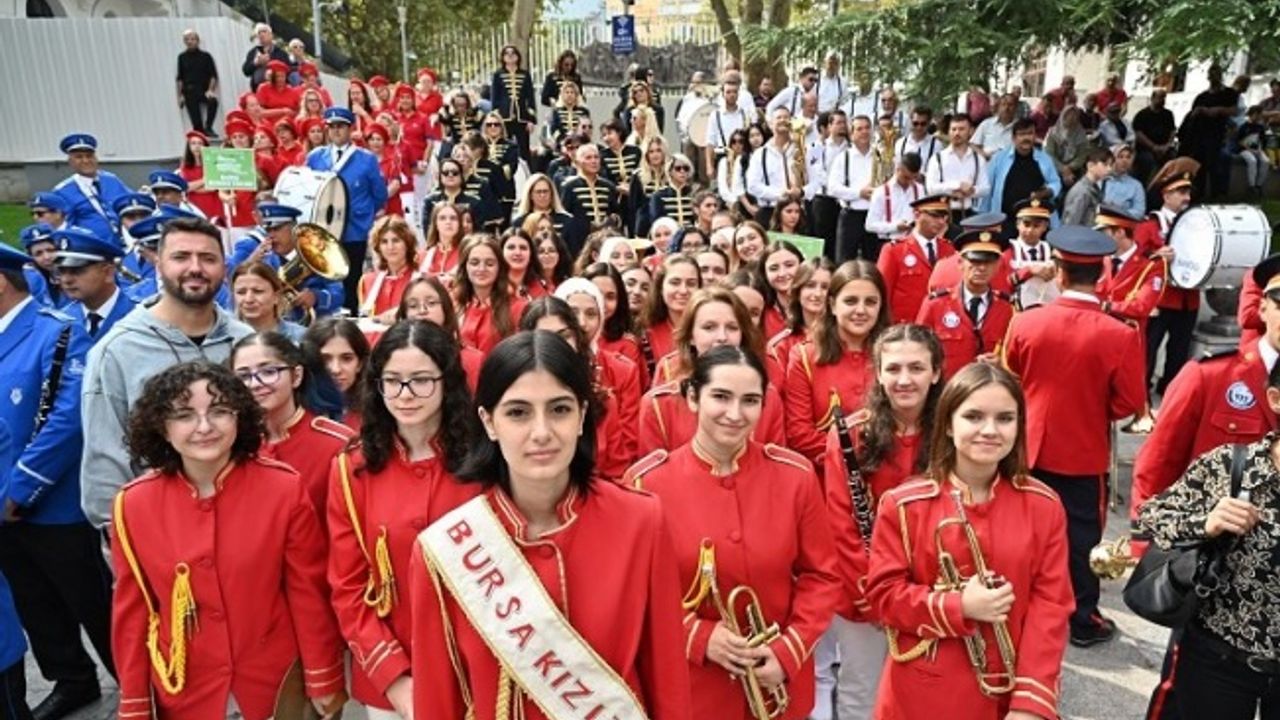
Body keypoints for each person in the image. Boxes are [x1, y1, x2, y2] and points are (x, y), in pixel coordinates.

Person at [407, 330, 693, 718]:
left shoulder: (641, 521)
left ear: (581, 417)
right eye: (518, 412)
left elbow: (667, 681)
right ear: (489, 422)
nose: (541, 433)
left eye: (559, 409)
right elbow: (438, 704)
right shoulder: (445, 548)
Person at [110, 361, 345, 719]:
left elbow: (307, 592)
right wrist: (135, 702)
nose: (204, 427)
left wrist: (322, 675)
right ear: (162, 426)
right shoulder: (133, 504)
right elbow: (134, 611)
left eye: (219, 411)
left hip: (274, 683)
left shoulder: (282, 488)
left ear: (239, 418)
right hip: (186, 689)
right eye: (185, 415)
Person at [626, 344, 841, 720]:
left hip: (778, 685)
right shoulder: (647, 484)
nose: (736, 414)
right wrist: (698, 637)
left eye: (750, 400)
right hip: (693, 689)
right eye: (721, 397)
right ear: (692, 397)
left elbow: (822, 577)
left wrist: (789, 650)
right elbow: (634, 592)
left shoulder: (796, 476)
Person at [865, 362, 1073, 719]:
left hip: (1010, 694)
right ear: (947, 423)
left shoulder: (1045, 505)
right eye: (973, 416)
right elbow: (884, 598)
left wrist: (1031, 704)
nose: (990, 430)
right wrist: (959, 605)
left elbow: (1050, 608)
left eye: (1005, 419)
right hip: (922, 693)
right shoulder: (903, 503)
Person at [325, 321, 478, 719]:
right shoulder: (351, 468)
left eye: (421, 380)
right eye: (392, 381)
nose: (405, 395)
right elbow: (348, 586)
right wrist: (395, 679)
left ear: (448, 382)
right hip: (394, 680)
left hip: (477, 670)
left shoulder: (486, 460)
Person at [1002, 225, 1145, 648]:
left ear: (1059, 273)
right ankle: (1082, 618)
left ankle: (1018, 609)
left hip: (1028, 446)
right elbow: (1129, 403)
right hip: (1084, 449)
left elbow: (1010, 378)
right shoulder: (1119, 334)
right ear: (1101, 274)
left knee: (1021, 529)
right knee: (1082, 537)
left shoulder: (1026, 322)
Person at [0, 243, 114, 720]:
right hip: (4, 509)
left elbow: (69, 420)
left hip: (51, 502)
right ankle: (73, 680)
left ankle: (137, 684)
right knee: (34, 603)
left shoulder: (57, 331)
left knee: (93, 602)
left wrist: (21, 489)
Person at [80, 216, 253, 528]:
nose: (196, 268)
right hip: (161, 528)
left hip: (245, 520)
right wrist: (120, 540)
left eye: (208, 258)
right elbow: (105, 460)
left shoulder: (246, 341)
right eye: (181, 257)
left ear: (223, 267)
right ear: (158, 264)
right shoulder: (118, 351)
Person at [819, 323, 943, 720]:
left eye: (916, 368)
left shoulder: (954, 431)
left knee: (933, 689)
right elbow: (841, 522)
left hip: (935, 588)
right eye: (892, 369)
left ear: (937, 372)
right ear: (878, 371)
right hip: (865, 591)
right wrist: (873, 593)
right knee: (863, 691)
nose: (903, 380)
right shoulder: (851, 434)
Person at [522, 289, 641, 481]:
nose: (556, 345)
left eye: (564, 335)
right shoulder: (510, 402)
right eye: (544, 336)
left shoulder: (602, 401)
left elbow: (617, 473)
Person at [230, 332, 350, 522]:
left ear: (296, 376)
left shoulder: (339, 444)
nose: (255, 384)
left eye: (269, 372)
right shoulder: (231, 442)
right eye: (243, 376)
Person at [784, 260, 886, 465]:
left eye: (871, 302)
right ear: (832, 305)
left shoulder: (894, 354)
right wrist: (853, 456)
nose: (861, 310)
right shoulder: (805, 356)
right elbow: (799, 434)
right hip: (827, 477)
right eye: (850, 301)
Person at [306, 106, 389, 313]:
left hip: (354, 228)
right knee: (325, 275)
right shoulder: (316, 156)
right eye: (331, 126)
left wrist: (365, 214)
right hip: (324, 227)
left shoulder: (366, 158)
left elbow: (379, 194)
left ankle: (351, 314)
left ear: (350, 129)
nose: (335, 131)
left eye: (340, 126)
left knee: (351, 277)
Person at [916, 229, 1015, 380]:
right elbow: (918, 350)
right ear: (961, 263)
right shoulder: (936, 304)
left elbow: (1014, 356)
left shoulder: (1007, 308)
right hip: (947, 392)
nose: (981, 268)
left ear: (997, 266)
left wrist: (1001, 363)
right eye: (975, 261)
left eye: (988, 262)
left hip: (988, 390)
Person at [229, 202, 345, 323]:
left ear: (293, 230)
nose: (271, 236)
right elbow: (233, 289)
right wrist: (251, 261)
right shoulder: (264, 261)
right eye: (268, 230)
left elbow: (338, 294)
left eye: (277, 229)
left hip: (313, 328)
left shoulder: (317, 256)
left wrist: (316, 297)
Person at [1138, 170, 1198, 398]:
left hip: (1188, 298)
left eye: (1188, 192)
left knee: (1179, 350)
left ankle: (1171, 389)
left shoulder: (1197, 224)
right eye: (1181, 192)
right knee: (1149, 349)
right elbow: (1135, 260)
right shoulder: (1150, 225)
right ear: (1166, 195)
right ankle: (1140, 394)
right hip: (1160, 297)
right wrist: (1156, 255)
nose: (1187, 198)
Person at [877, 193, 956, 324]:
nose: (941, 222)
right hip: (905, 327)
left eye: (944, 216)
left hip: (939, 325)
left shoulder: (949, 249)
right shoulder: (894, 250)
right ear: (917, 215)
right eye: (935, 215)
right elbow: (882, 292)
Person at [52, 225, 135, 341]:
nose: (66, 280)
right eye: (61, 271)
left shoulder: (137, 314)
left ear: (108, 272)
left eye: (77, 271)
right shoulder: (61, 321)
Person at [983, 118, 1062, 234]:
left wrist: (1045, 193)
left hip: (1035, 223)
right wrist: (984, 218)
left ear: (1035, 136)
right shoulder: (999, 158)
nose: (1026, 138)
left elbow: (1056, 183)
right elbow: (987, 188)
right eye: (1021, 134)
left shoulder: (1044, 159)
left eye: (1030, 133)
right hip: (1005, 221)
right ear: (1014, 138)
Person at [453, 233, 525, 354]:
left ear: (499, 268)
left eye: (490, 263)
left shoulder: (519, 308)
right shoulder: (456, 305)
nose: (481, 269)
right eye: (474, 263)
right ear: (465, 267)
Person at [52, 133, 131, 245]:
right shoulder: (62, 191)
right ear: (70, 162)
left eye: (89, 156)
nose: (85, 160)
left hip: (125, 242)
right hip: (93, 248)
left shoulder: (111, 180)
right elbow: (63, 226)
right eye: (79, 157)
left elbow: (131, 203)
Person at [1178, 64, 1240, 200]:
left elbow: (1235, 110)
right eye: (1211, 75)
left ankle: (1217, 195)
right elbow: (1192, 115)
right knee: (1200, 165)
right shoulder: (1202, 97)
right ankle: (1198, 194)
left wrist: (1218, 110)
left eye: (1216, 74)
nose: (1214, 78)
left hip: (1218, 134)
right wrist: (1199, 112)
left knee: (1215, 165)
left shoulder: (1229, 94)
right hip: (1200, 135)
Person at [303, 317, 371, 428]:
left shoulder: (376, 411)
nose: (336, 369)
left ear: (360, 364)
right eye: (324, 359)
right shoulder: (291, 412)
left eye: (347, 358)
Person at [827, 114, 877, 262]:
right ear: (851, 134)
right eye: (859, 129)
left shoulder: (881, 156)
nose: (864, 132)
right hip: (851, 216)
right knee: (844, 262)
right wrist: (859, 193)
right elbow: (833, 188)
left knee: (873, 262)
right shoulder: (843, 158)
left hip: (874, 215)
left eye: (867, 128)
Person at [748, 107, 805, 228]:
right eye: (779, 117)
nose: (783, 120)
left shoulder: (802, 150)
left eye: (786, 117)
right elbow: (752, 185)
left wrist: (802, 192)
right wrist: (780, 194)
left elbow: (817, 180)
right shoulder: (760, 154)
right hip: (769, 211)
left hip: (797, 212)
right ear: (770, 124)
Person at [925, 114, 988, 221]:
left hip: (969, 214)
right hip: (943, 215)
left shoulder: (978, 159)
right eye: (953, 129)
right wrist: (956, 186)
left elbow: (985, 188)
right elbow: (930, 188)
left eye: (961, 129)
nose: (957, 133)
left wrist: (971, 190)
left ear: (971, 131)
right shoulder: (937, 158)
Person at [559, 143, 620, 252]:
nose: (594, 161)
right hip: (579, 241)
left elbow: (616, 213)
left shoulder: (608, 186)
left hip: (604, 239)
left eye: (596, 157)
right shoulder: (569, 186)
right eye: (588, 158)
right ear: (578, 161)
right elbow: (564, 215)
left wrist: (611, 220)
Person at [360, 215, 420, 323]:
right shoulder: (368, 281)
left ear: (407, 243)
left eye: (396, 240)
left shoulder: (423, 280)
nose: (390, 247)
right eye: (384, 242)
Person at [230, 261, 306, 342]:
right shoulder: (222, 338)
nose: (249, 299)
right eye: (241, 292)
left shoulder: (302, 338)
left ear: (276, 297)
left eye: (258, 291)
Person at [1005, 198, 1059, 309]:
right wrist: (1028, 271)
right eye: (1026, 224)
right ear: (1017, 224)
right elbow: (1002, 283)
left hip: (1046, 307)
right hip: (1016, 308)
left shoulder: (1051, 250)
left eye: (1036, 226)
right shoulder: (1009, 250)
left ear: (1045, 227)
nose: (1030, 230)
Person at [865, 153, 924, 244]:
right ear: (898, 169)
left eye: (914, 178)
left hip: (914, 243)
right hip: (888, 242)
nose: (909, 182)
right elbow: (870, 225)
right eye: (906, 177)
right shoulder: (881, 192)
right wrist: (895, 227)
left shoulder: (920, 190)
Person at [176, 29, 220, 136]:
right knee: (197, 126)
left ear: (197, 40)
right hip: (189, 91)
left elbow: (213, 75)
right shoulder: (182, 57)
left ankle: (209, 127)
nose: (190, 41)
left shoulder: (206, 56)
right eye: (187, 39)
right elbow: (180, 78)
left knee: (213, 102)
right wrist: (180, 95)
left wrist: (210, 90)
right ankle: (200, 140)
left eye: (192, 39)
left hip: (203, 89)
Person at [1133, 89, 1177, 183]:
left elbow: (1172, 131)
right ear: (1153, 98)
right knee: (1148, 161)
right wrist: (1153, 147)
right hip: (1146, 149)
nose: (1162, 100)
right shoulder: (1142, 115)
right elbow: (1139, 134)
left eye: (1164, 98)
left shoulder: (1168, 114)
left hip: (1164, 148)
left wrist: (1167, 145)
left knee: (1174, 158)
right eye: (1160, 97)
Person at [1061, 148, 1113, 225]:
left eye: (1110, 165)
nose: (1109, 169)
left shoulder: (1095, 188)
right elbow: (1070, 225)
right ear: (1090, 165)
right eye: (1105, 164)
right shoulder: (1081, 191)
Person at [240, 22, 290, 91]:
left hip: (277, 89)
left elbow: (287, 69)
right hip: (258, 90)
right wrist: (255, 63)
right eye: (259, 32)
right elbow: (245, 71)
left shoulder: (280, 52)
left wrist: (269, 62)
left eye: (264, 31)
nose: (261, 34)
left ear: (271, 35)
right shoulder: (252, 52)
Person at [1102, 143, 1146, 216]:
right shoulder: (1101, 180)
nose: (1125, 160)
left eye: (1128, 157)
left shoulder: (1136, 186)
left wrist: (1117, 211)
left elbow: (1139, 212)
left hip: (1122, 224)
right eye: (1120, 157)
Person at [972, 93, 1018, 159]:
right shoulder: (987, 124)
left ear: (1016, 108)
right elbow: (973, 145)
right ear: (998, 107)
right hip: (987, 163)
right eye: (1003, 104)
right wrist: (983, 155)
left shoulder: (1020, 126)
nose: (1006, 108)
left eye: (1010, 105)